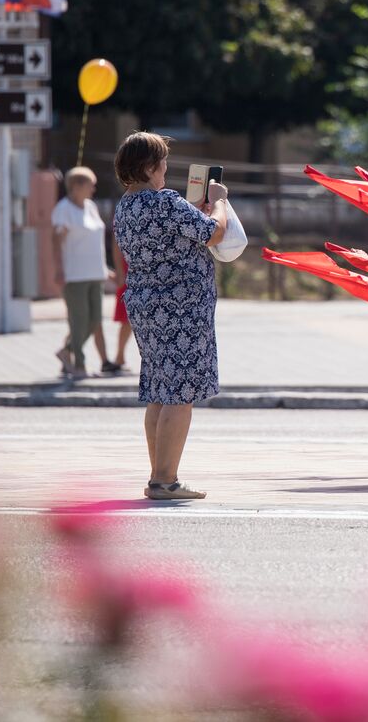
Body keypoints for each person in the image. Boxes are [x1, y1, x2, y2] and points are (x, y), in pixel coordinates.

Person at [112, 132, 228, 501]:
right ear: (148, 167)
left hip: (145, 305)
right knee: (179, 394)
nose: (166, 168)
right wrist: (219, 203)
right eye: (161, 162)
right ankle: (166, 480)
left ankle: (159, 475)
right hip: (180, 308)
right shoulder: (165, 202)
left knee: (159, 392)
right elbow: (214, 233)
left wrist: (196, 211)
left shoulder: (125, 207)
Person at [52, 167, 116, 379]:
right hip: (75, 275)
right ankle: (79, 364)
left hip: (95, 273)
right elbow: (57, 240)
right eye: (90, 184)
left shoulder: (90, 207)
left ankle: (66, 351)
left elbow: (94, 241)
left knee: (94, 319)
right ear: (76, 186)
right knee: (78, 320)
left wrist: (105, 269)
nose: (94, 188)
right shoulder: (64, 209)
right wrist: (59, 270)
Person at [110, 231, 132, 372]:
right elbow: (116, 244)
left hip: (141, 267)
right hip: (128, 270)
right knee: (127, 317)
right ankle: (119, 356)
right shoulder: (124, 211)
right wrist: (119, 272)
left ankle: (120, 357)